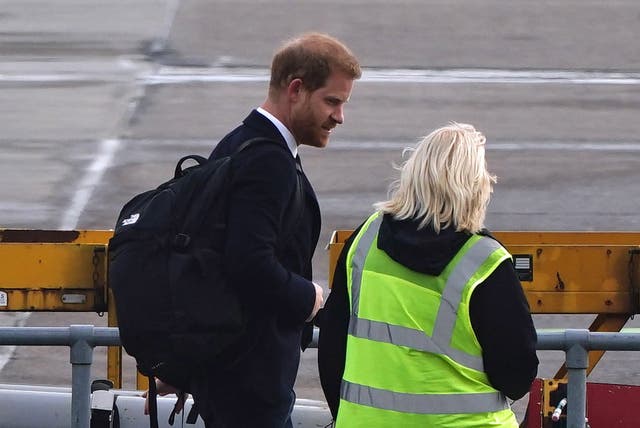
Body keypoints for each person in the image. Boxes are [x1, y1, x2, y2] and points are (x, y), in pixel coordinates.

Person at [144, 32, 361, 427]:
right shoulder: (268, 162)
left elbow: (207, 262)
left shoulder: (238, 143)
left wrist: (189, 364)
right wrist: (309, 297)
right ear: (296, 89)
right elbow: (247, 263)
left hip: (228, 373)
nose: (339, 116)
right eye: (332, 101)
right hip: (251, 382)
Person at [318, 122, 539, 427]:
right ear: (476, 186)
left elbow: (332, 347)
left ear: (413, 175)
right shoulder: (483, 261)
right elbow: (517, 375)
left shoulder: (365, 240)